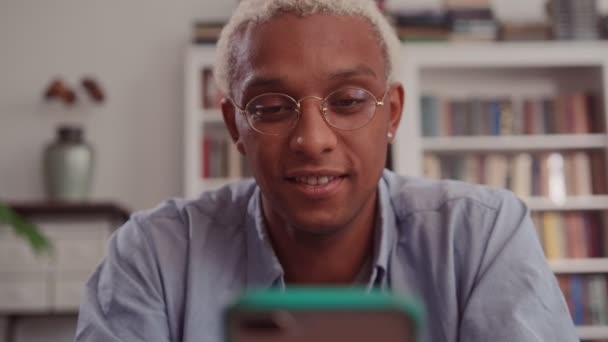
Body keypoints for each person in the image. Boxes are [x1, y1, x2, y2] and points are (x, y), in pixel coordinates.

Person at [75, 0, 578, 341]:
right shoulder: (154, 254)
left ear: (393, 114)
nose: (312, 140)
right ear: (235, 124)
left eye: (349, 100)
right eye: (271, 107)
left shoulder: (481, 234)